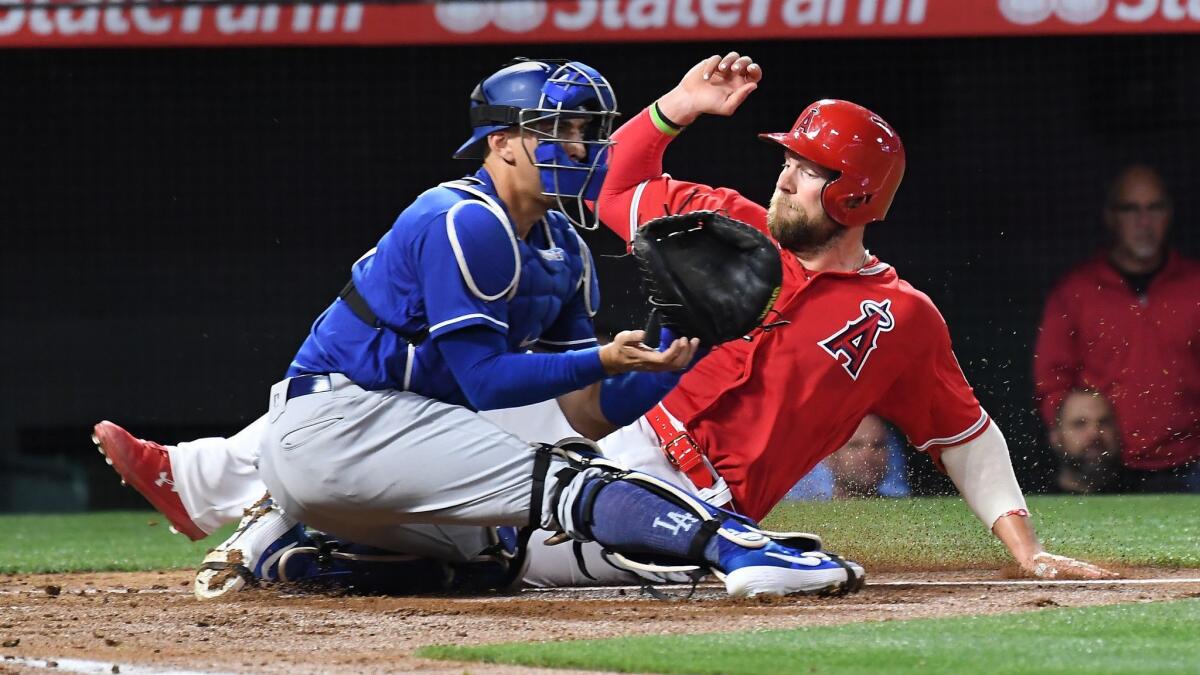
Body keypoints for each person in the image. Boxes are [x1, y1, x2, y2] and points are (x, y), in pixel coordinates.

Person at [95, 53, 1111, 594]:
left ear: (856, 196)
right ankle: (201, 480)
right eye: (790, 156)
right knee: (385, 401)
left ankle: (298, 539)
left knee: (500, 551)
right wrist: (673, 106)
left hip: (685, 481)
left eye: (809, 167)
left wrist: (1020, 547)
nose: (786, 170)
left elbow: (965, 436)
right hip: (606, 423)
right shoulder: (726, 218)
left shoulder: (903, 316)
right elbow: (618, 180)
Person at [1034, 164, 1200, 492]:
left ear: (1170, 214)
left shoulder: (1195, 285)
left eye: (1154, 208)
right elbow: (1052, 382)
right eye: (1131, 209)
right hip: (1102, 471)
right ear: (1111, 217)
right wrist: (1079, 441)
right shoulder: (1076, 291)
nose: (1144, 222)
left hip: (1191, 465)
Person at [787, 415, 910, 500]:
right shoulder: (801, 510)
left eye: (878, 445)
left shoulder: (904, 510)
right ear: (829, 457)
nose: (869, 454)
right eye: (855, 446)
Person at [1046, 388, 1123, 494]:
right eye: (1079, 424)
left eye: (1104, 423)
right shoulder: (1025, 501)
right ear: (1056, 437)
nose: (1095, 434)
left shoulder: (1145, 493)